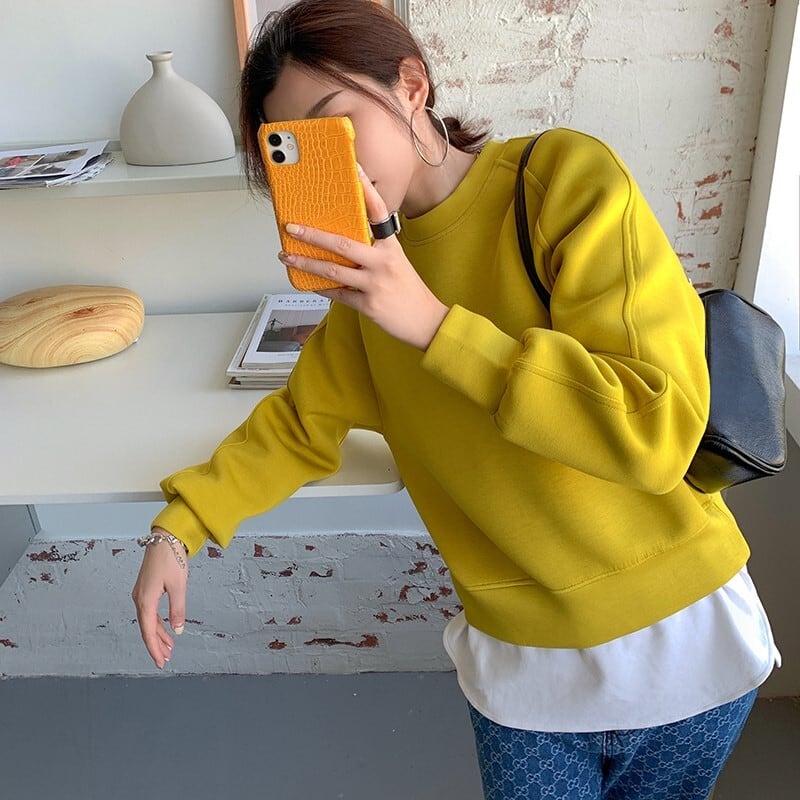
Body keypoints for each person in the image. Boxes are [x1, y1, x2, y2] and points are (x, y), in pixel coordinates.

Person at [131, 1, 779, 797]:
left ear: (411, 86)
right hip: (525, 668)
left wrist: (436, 326)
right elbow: (300, 426)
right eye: (297, 150)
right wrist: (179, 530)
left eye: (338, 124)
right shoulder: (369, 286)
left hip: (684, 636)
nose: (338, 167)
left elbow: (655, 435)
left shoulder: (561, 182)